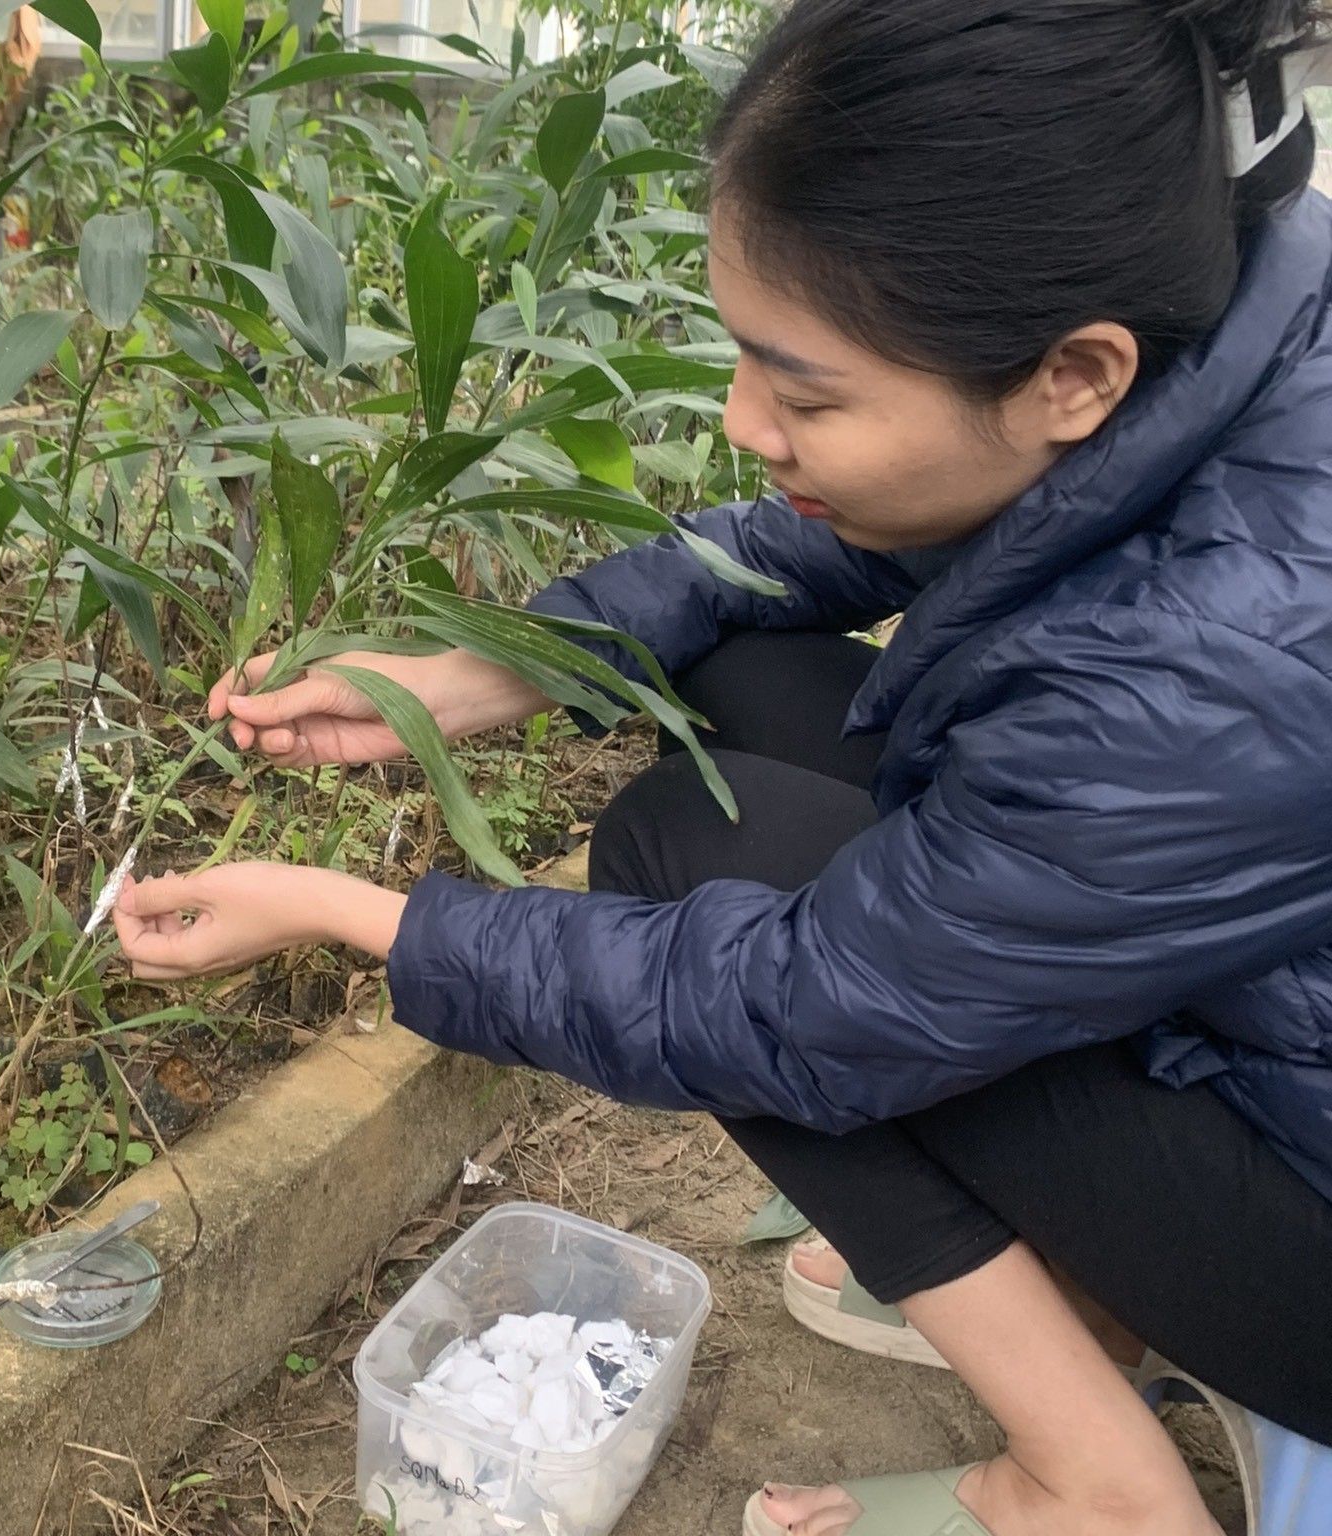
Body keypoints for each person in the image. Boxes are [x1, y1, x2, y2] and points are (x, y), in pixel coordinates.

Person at [112, 2, 1332, 1532]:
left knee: (692, 847)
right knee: (733, 675)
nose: (749, 424)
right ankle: (1086, 1307)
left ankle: (1090, 1490)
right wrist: (484, 672)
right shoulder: (1217, 299)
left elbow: (801, 1010)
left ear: (1073, 378)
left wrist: (355, 914)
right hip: (1265, 1027)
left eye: (808, 393)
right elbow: (786, 558)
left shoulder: (1213, 670)